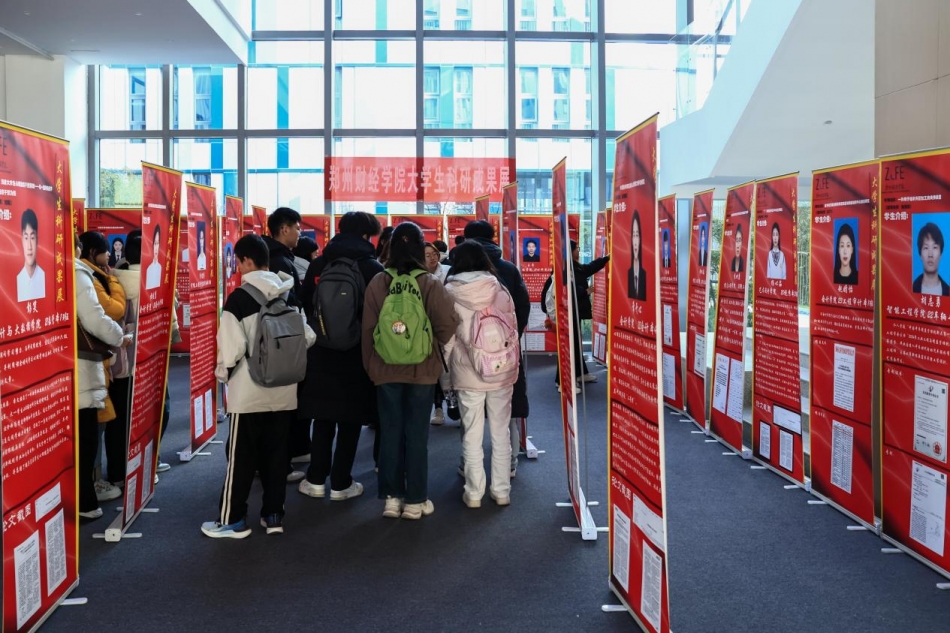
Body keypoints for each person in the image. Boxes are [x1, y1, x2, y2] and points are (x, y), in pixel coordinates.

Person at [201, 234, 316, 538]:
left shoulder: (239, 299)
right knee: (277, 457)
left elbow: (231, 349)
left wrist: (223, 375)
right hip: (284, 391)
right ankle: (274, 516)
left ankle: (232, 520)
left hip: (248, 392)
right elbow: (308, 337)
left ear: (246, 261)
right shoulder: (288, 295)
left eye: (238, 262)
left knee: (241, 459)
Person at [361, 222, 459, 520]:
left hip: (385, 370)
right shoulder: (429, 283)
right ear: (419, 248)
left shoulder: (378, 282)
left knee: (390, 432)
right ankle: (415, 501)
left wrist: (372, 367)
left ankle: (392, 499)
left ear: (390, 248)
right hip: (422, 370)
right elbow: (447, 325)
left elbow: (368, 330)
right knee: (416, 434)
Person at [297, 212, 383, 503]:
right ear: (366, 236)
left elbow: (306, 303)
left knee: (323, 416)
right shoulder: (373, 268)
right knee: (350, 419)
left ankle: (315, 479)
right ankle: (341, 483)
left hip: (320, 352)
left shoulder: (319, 264)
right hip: (357, 353)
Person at [444, 241, 519, 508]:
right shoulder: (499, 289)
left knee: (472, 434)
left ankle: (474, 493)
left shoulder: (450, 292)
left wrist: (445, 377)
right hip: (501, 371)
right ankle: (502, 491)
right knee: (501, 432)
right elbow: (513, 329)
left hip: (467, 374)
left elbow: (447, 340)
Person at [463, 220, 531, 477]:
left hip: (469, 354)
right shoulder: (509, 269)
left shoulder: (457, 270)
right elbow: (522, 307)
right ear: (492, 237)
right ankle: (510, 462)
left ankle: (469, 466)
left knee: (471, 414)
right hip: (504, 352)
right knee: (507, 411)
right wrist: (511, 339)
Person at [75, 233, 133, 519]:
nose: (110, 254)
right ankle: (85, 500)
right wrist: (119, 337)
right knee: (86, 439)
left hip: (63, 368)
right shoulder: (79, 273)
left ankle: (82, 498)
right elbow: (100, 315)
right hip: (82, 366)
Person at [262, 207, 309, 481]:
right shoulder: (280, 261)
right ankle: (278, 465)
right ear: (284, 229)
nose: (300, 233)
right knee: (280, 406)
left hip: (276, 341)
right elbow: (287, 304)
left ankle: (287, 456)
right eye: (297, 228)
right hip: (281, 341)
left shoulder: (276, 257)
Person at [109, 233, 142, 490]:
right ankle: (139, 469)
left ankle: (117, 473)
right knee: (142, 418)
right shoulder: (154, 281)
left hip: (118, 362)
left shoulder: (112, 280)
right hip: (144, 360)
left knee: (117, 421)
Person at [571, 240, 610, 383]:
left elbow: (590, 268)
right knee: (573, 344)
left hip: (576, 311)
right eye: (577, 248)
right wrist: (584, 291)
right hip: (571, 311)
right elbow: (568, 288)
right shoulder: (567, 267)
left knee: (575, 343)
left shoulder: (575, 266)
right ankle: (566, 379)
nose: (579, 251)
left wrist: (606, 258)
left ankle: (580, 373)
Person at [424, 242, 452, 425]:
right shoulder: (418, 275)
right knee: (433, 373)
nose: (433, 257)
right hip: (425, 330)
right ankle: (438, 409)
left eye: (434, 253)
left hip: (445, 327)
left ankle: (453, 405)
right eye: (427, 255)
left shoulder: (448, 271)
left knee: (447, 370)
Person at [913, 222, 950, 296]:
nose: (930, 255)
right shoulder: (911, 289)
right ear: (920, 254)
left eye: (935, 247)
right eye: (926, 248)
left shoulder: (948, 291)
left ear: (941, 254)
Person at [17, 209, 46, 302]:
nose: (29, 246)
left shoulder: (44, 277)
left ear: (37, 240)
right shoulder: (18, 279)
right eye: (26, 238)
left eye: (32, 238)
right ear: (22, 240)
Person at [626, 210, 647, 301]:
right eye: (633, 235)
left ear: (640, 239)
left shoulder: (644, 275)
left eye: (637, 235)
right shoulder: (627, 275)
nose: (635, 242)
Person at [145, 224, 163, 290]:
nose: (156, 247)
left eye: (158, 243)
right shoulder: (149, 269)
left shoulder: (161, 267)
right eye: (155, 243)